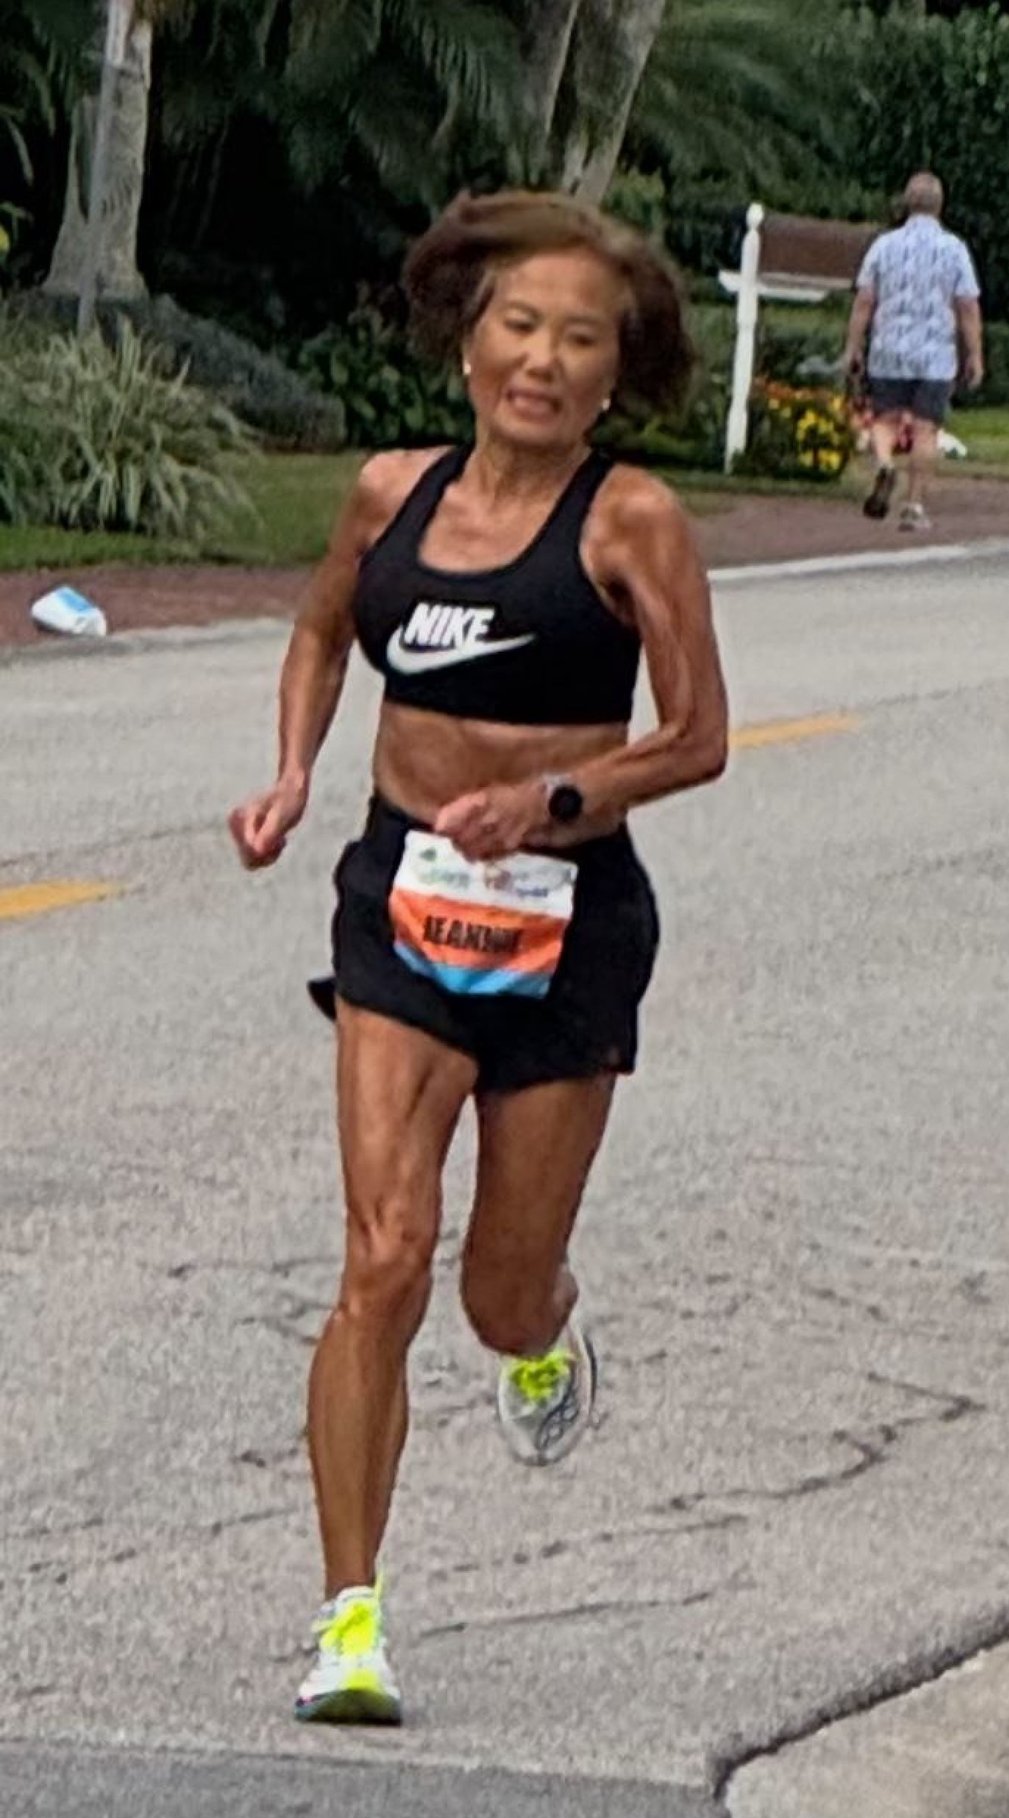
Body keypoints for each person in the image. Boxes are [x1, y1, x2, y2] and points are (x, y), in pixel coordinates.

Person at [228, 188, 729, 1728]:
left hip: (569, 920)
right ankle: (350, 1619)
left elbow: (700, 738)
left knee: (492, 1291)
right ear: (468, 340)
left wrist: (554, 800)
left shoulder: (632, 517)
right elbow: (323, 632)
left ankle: (539, 1334)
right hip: (400, 898)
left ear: (613, 368)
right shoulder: (389, 493)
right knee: (381, 1252)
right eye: (521, 326)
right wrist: (297, 769)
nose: (545, 360)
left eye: (583, 338)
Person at [842, 171, 984, 532]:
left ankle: (886, 464)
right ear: (940, 205)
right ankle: (914, 506)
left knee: (885, 420)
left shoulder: (883, 246)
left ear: (906, 204)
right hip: (936, 355)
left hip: (889, 349)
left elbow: (864, 300)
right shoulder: (954, 249)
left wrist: (854, 346)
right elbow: (967, 305)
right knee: (926, 430)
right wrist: (975, 354)